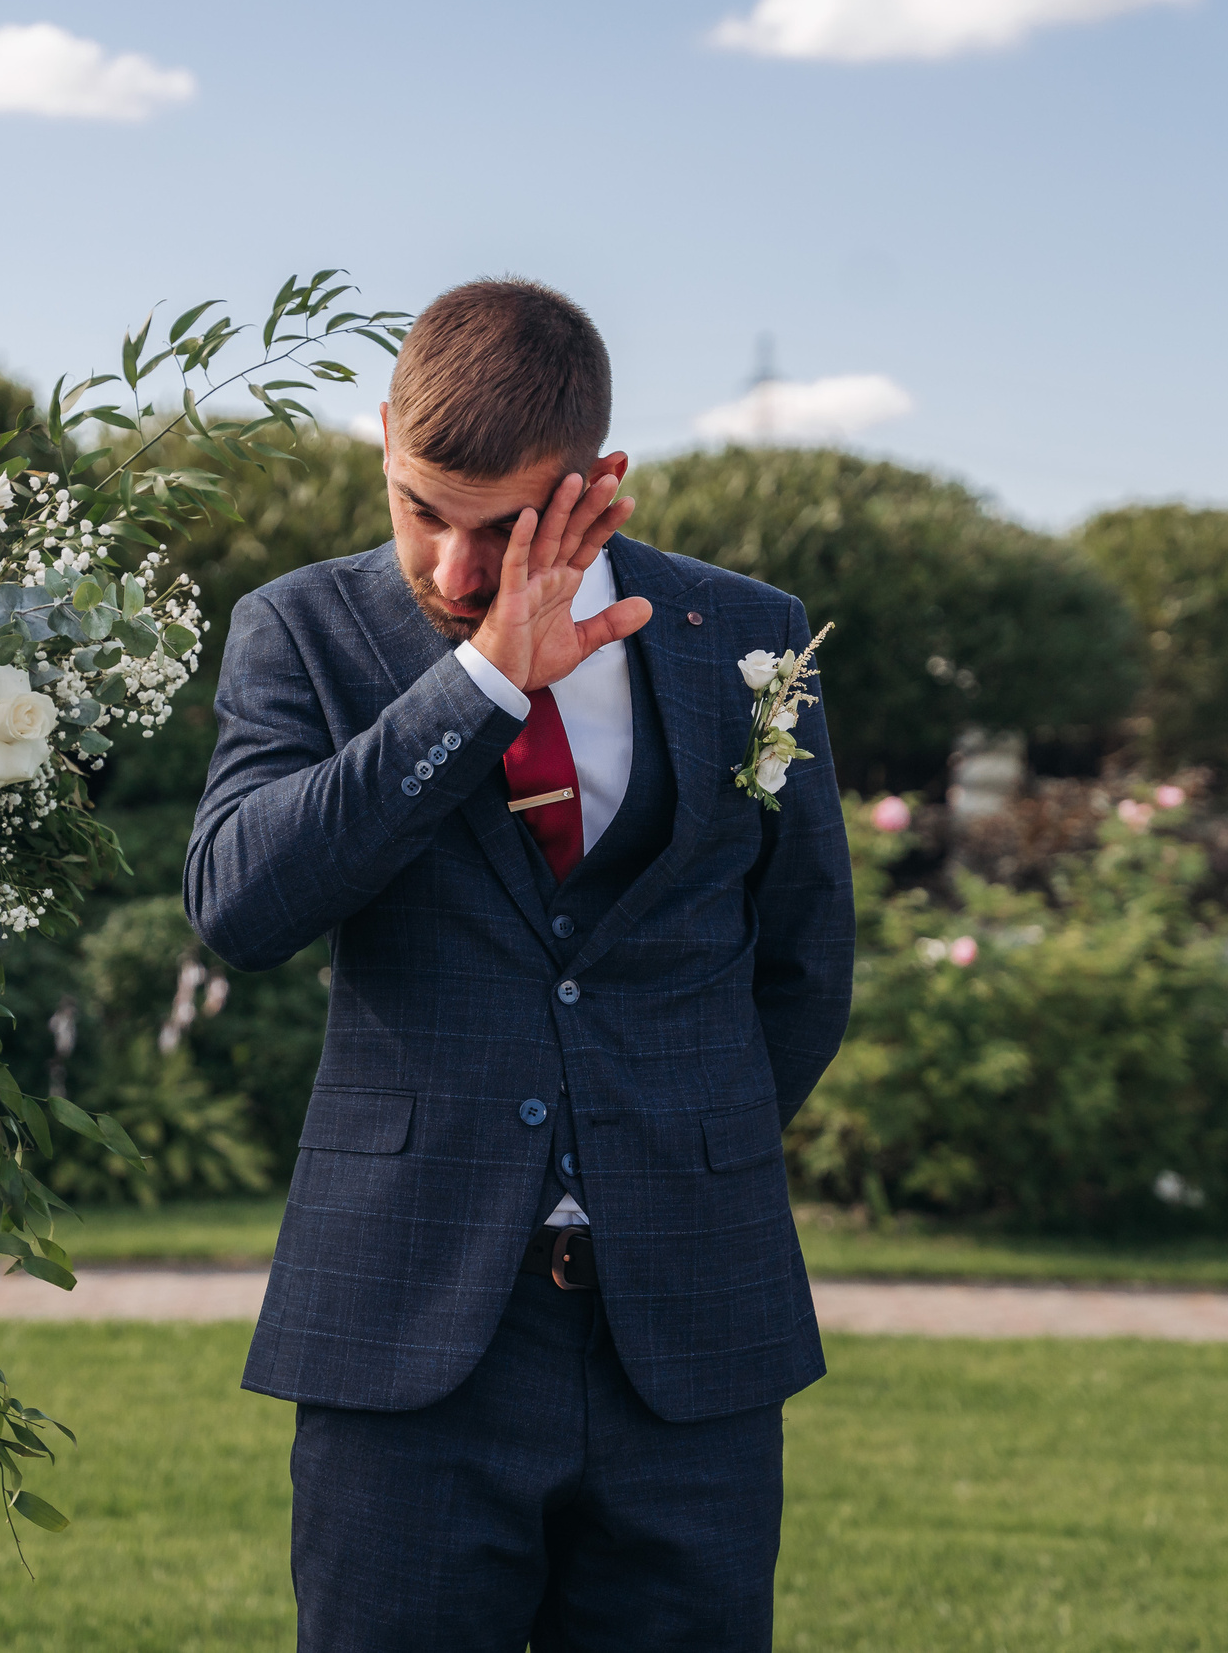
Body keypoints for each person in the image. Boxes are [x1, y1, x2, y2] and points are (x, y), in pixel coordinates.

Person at [185, 277, 855, 1652]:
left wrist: (663, 1145)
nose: (449, 567)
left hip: (691, 1330)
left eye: (499, 527)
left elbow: (803, 964)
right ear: (382, 439)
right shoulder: (301, 633)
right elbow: (241, 905)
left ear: (598, 483)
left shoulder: (747, 638)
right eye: (419, 506)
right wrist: (482, 683)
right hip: (409, 1342)